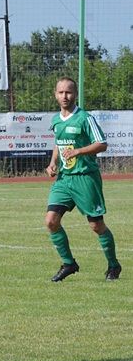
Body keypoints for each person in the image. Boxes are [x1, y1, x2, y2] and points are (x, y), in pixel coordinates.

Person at [44, 76, 121, 282]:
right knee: (51, 221)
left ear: (75, 94)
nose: (64, 96)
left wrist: (78, 151)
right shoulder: (56, 120)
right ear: (55, 95)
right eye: (60, 92)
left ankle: (113, 265)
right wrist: (53, 163)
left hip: (85, 178)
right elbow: (58, 144)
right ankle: (69, 263)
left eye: (68, 92)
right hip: (64, 179)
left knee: (96, 226)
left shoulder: (85, 118)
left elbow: (102, 144)